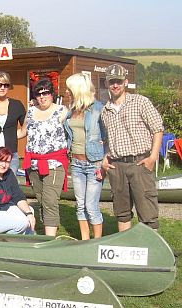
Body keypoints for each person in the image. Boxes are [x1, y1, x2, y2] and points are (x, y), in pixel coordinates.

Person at [101, 64, 163, 231]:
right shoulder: (105, 111)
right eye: (112, 81)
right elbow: (107, 139)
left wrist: (153, 158)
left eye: (119, 81)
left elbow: (158, 129)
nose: (115, 85)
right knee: (122, 213)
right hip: (117, 166)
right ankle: (126, 249)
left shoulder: (140, 102)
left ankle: (152, 250)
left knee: (147, 212)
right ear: (107, 83)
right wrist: (105, 158)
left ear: (125, 82)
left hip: (139, 163)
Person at [19, 79, 69, 236]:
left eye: (46, 93)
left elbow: (75, 131)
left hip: (54, 163)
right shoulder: (31, 111)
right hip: (33, 163)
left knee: (49, 200)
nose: (42, 97)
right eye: (39, 94)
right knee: (41, 199)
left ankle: (50, 239)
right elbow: (22, 132)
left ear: (51, 93)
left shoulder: (62, 111)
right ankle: (46, 230)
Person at [63, 73, 104, 240]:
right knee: (80, 206)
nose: (66, 91)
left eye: (69, 88)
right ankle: (84, 241)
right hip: (77, 163)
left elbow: (107, 137)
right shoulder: (72, 111)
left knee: (91, 206)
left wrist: (104, 162)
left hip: (94, 163)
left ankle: (97, 242)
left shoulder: (98, 109)